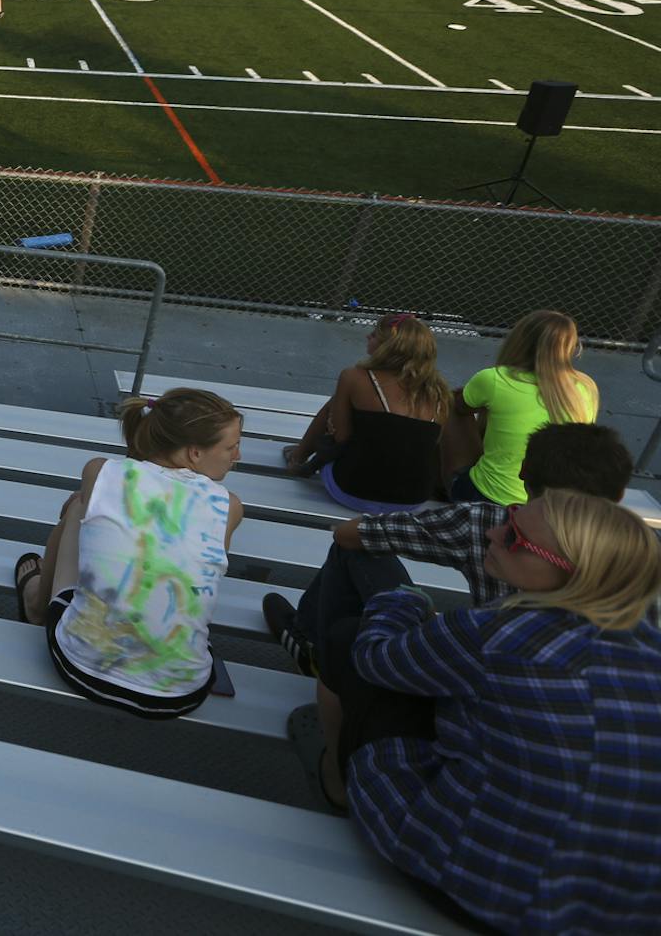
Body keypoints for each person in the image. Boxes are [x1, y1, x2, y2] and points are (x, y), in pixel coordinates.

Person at [294, 490, 661, 933]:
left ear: (569, 573)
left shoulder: (496, 634)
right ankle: (306, 639)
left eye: (514, 538)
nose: (493, 532)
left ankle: (335, 775)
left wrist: (404, 603)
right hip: (611, 913)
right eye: (509, 520)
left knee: (351, 634)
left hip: (476, 880)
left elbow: (374, 658)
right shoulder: (647, 642)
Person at [263, 420, 638, 681]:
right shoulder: (640, 562)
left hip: (472, 672)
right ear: (619, 495)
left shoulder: (483, 525)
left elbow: (349, 535)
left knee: (355, 568)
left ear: (524, 475)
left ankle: (313, 645)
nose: (499, 534)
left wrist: (411, 607)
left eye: (512, 537)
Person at [13, 390, 245, 719]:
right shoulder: (230, 507)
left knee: (79, 508)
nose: (237, 455)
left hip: (82, 668)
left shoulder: (100, 471)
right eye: (231, 446)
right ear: (194, 453)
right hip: (180, 694)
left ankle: (36, 604)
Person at [282, 313, 449, 513]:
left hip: (352, 491)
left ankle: (298, 458)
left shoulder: (354, 376)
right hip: (411, 500)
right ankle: (300, 455)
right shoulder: (440, 393)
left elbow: (341, 437)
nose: (367, 337)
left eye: (374, 335)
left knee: (335, 402)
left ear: (388, 347)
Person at [450, 309, 598, 506]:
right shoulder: (585, 387)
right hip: (549, 504)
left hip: (488, 496)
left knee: (449, 407)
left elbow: (459, 407)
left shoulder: (494, 378)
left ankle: (443, 486)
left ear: (518, 340)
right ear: (571, 347)